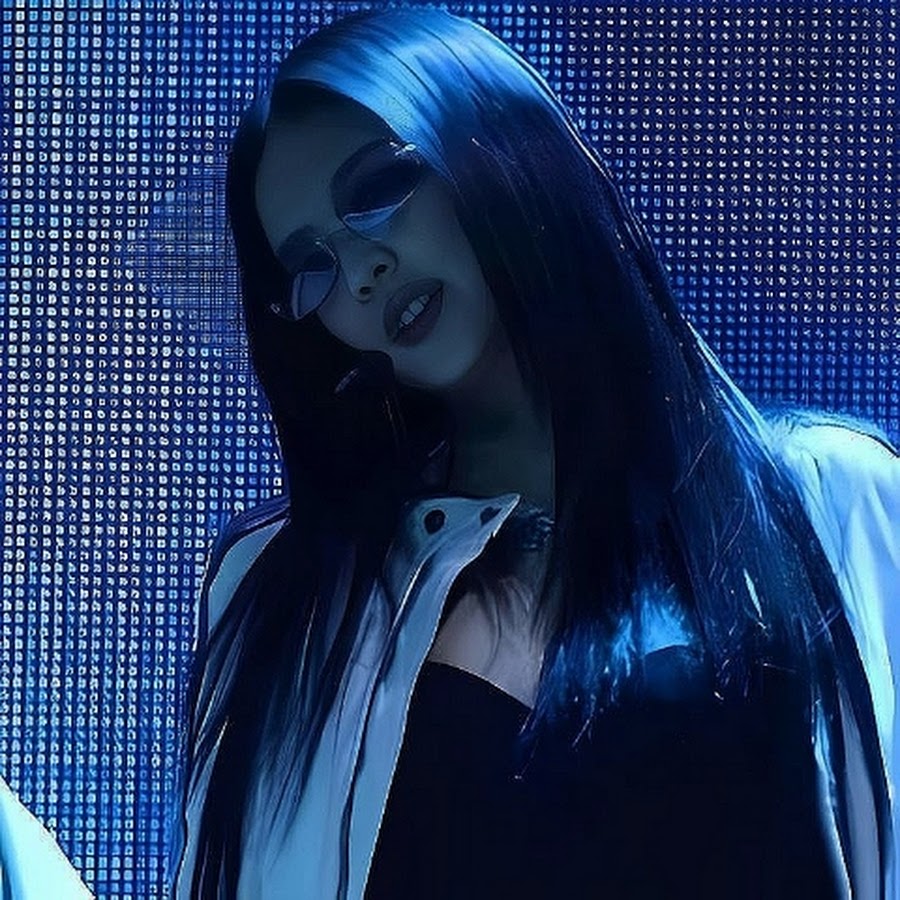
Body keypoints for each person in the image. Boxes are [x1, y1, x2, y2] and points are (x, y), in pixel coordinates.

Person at [172, 8, 899, 899]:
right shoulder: (285, 598)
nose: (359, 272)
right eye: (312, 266)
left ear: (495, 143)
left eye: (377, 190)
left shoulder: (844, 509)